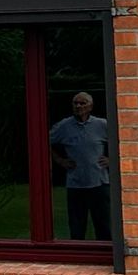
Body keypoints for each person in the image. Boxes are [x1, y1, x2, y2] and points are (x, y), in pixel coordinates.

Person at [49, 91, 111, 241]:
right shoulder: (64, 126)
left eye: (83, 103)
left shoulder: (102, 124)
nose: (78, 106)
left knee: (103, 225)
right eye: (75, 103)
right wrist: (60, 160)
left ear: (91, 106)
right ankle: (78, 251)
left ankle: (103, 251)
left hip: (99, 183)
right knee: (77, 227)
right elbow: (43, 141)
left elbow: (123, 140)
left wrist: (112, 159)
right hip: (75, 184)